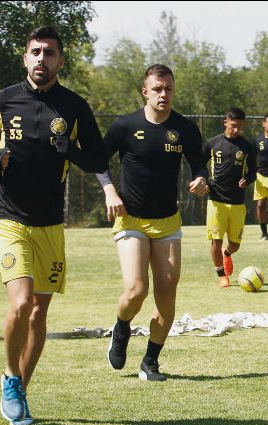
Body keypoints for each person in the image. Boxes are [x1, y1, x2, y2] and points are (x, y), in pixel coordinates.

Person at [0, 26, 108, 425]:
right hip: (9, 219)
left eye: (50, 53)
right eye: (35, 51)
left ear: (60, 61)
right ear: (25, 58)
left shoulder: (75, 107)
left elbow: (97, 157)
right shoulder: (3, 99)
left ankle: (20, 390)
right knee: (21, 303)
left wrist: (72, 151)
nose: (42, 59)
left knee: (38, 313)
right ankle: (11, 379)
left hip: (50, 225)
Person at [99, 64, 209, 382]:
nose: (164, 94)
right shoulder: (124, 126)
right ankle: (121, 328)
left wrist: (202, 180)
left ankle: (150, 362)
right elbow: (97, 162)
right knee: (136, 290)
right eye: (158, 89)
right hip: (130, 220)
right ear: (145, 92)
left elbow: (200, 167)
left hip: (167, 223)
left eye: (169, 88)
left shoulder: (185, 129)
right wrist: (109, 191)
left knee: (166, 293)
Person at [204, 108, 257, 288]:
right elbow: (199, 165)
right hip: (216, 199)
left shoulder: (247, 147)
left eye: (240, 127)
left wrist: (247, 179)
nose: (236, 130)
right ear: (225, 123)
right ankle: (221, 274)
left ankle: (227, 254)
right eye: (233, 126)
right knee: (216, 240)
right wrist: (203, 181)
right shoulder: (213, 143)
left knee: (234, 245)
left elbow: (254, 171)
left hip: (237, 202)